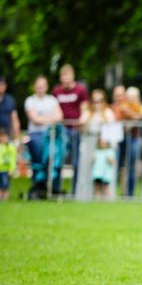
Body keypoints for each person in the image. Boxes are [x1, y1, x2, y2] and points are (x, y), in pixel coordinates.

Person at [25, 75, 64, 195]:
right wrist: (51, 119)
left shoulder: (52, 100)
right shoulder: (30, 101)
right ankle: (38, 186)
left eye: (42, 86)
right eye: (38, 86)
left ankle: (54, 187)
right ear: (34, 87)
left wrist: (44, 119)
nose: (40, 88)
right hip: (36, 135)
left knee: (54, 160)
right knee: (38, 162)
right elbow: (35, 119)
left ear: (46, 87)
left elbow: (60, 116)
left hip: (51, 136)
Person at [52, 64, 89, 193]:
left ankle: (75, 190)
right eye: (63, 75)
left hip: (75, 129)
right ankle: (56, 189)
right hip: (60, 129)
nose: (66, 78)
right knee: (58, 160)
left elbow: (84, 108)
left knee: (75, 161)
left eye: (68, 74)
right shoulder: (56, 91)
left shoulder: (80, 90)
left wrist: (83, 120)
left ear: (72, 75)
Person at [76, 89, 117, 200]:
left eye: (99, 101)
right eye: (94, 101)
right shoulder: (87, 113)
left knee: (105, 171)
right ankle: (85, 196)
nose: (97, 104)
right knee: (86, 168)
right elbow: (82, 128)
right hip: (89, 142)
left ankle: (107, 198)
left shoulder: (108, 113)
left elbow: (113, 132)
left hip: (104, 145)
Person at [0, 76, 21, 142]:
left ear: (6, 86)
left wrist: (17, 138)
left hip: (7, 135)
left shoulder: (10, 100)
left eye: (2, 84)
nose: (1, 87)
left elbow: (15, 119)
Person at [0, 128, 15, 200]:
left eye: (5, 137)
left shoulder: (10, 147)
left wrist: (11, 169)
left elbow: (12, 159)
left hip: (5, 169)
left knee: (5, 183)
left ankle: (5, 196)